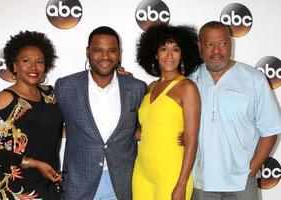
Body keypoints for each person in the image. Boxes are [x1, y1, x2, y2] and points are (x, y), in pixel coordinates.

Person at [190, 21, 281, 200]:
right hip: (201, 182)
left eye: (223, 44)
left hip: (242, 184)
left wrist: (251, 170)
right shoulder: (189, 80)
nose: (217, 51)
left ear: (231, 44)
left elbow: (270, 130)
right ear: (200, 46)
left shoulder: (254, 79)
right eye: (209, 44)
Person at [54, 26, 146, 200]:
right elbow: (47, 123)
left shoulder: (136, 88)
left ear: (119, 53)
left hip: (122, 185)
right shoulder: (65, 86)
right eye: (98, 50)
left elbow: (145, 128)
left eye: (112, 50)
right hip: (79, 184)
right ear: (88, 52)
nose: (105, 57)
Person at [0, 31, 63, 199]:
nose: (33, 67)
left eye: (39, 62)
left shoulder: (50, 95)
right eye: (26, 61)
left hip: (50, 180)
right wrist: (35, 164)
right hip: (19, 186)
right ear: (14, 65)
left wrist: (117, 76)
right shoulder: (6, 99)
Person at [132, 24, 203, 200]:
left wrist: (182, 183)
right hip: (141, 171)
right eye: (164, 49)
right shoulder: (150, 88)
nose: (169, 55)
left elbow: (192, 141)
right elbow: (144, 131)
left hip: (171, 174)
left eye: (175, 50)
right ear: (155, 53)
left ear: (182, 53)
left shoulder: (187, 88)